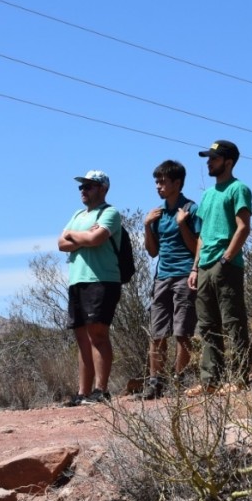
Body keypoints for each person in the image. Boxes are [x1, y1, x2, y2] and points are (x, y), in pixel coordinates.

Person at [187, 140, 252, 395]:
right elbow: (202, 234)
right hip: (204, 265)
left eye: (213, 158)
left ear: (228, 161)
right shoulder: (208, 194)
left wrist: (226, 258)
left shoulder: (238, 189)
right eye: (208, 158)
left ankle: (238, 379)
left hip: (227, 265)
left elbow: (243, 227)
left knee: (233, 322)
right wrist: (195, 267)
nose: (208, 162)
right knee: (207, 325)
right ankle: (210, 381)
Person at [58, 170, 123, 406]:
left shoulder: (110, 213)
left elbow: (96, 239)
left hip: (102, 279)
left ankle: (100, 390)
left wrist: (75, 237)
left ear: (103, 189)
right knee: (81, 337)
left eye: (89, 186)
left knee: (98, 333)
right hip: (77, 280)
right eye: (81, 187)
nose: (83, 191)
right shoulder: (77, 214)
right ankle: (82, 392)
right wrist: (83, 236)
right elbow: (61, 243)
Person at [138, 160, 201, 400]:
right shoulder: (158, 213)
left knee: (182, 331)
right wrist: (146, 226)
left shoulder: (191, 209)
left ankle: (179, 380)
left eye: (163, 181)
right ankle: (155, 383)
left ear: (177, 182)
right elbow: (153, 251)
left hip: (185, 274)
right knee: (157, 333)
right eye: (157, 181)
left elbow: (197, 246)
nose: (158, 186)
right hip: (161, 276)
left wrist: (183, 225)